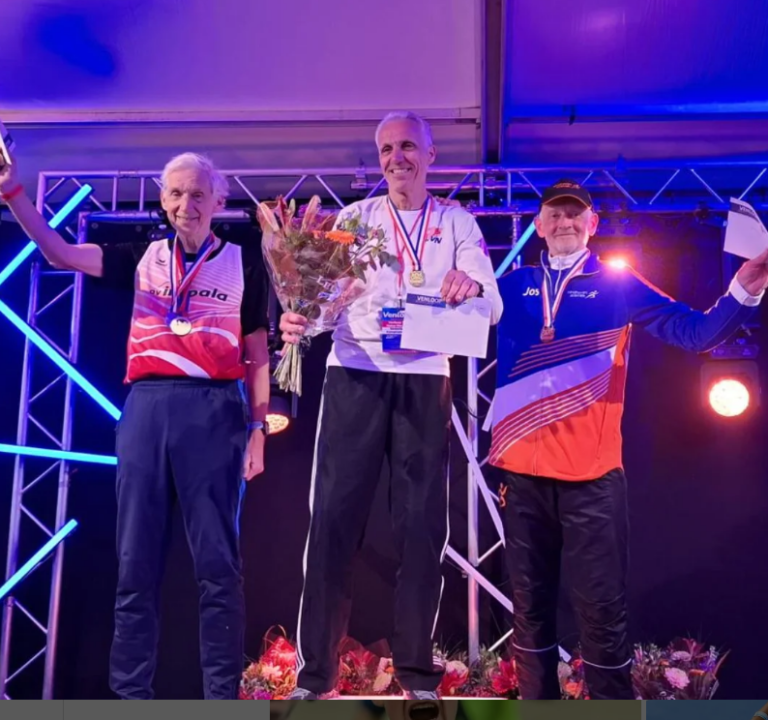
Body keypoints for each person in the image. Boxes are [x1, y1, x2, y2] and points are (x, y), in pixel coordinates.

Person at [0, 150, 271, 699]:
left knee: (219, 566)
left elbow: (259, 354)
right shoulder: (140, 256)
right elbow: (57, 251)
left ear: (218, 200)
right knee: (135, 564)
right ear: (162, 199)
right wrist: (13, 193)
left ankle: (222, 697)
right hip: (147, 408)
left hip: (215, 408)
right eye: (175, 193)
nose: (186, 204)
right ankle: (131, 700)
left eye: (198, 193)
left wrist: (259, 426)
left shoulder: (244, 262)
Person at [489, 179, 768, 699]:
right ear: (537, 225)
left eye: (577, 214)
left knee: (601, 614)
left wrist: (747, 285)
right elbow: (440, 322)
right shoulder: (508, 286)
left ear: (593, 225)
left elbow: (697, 333)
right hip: (522, 476)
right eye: (555, 213)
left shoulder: (619, 284)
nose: (565, 222)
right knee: (528, 613)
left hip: (591, 479)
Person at [279, 111, 503, 700]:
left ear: (431, 154)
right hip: (354, 374)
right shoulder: (352, 219)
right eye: (386, 149)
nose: (396, 157)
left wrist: (470, 285)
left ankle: (416, 676)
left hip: (426, 376)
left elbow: (493, 298)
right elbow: (321, 304)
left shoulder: (456, 221)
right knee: (331, 524)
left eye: (407, 146)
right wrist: (303, 312)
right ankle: (316, 677)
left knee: (423, 530)